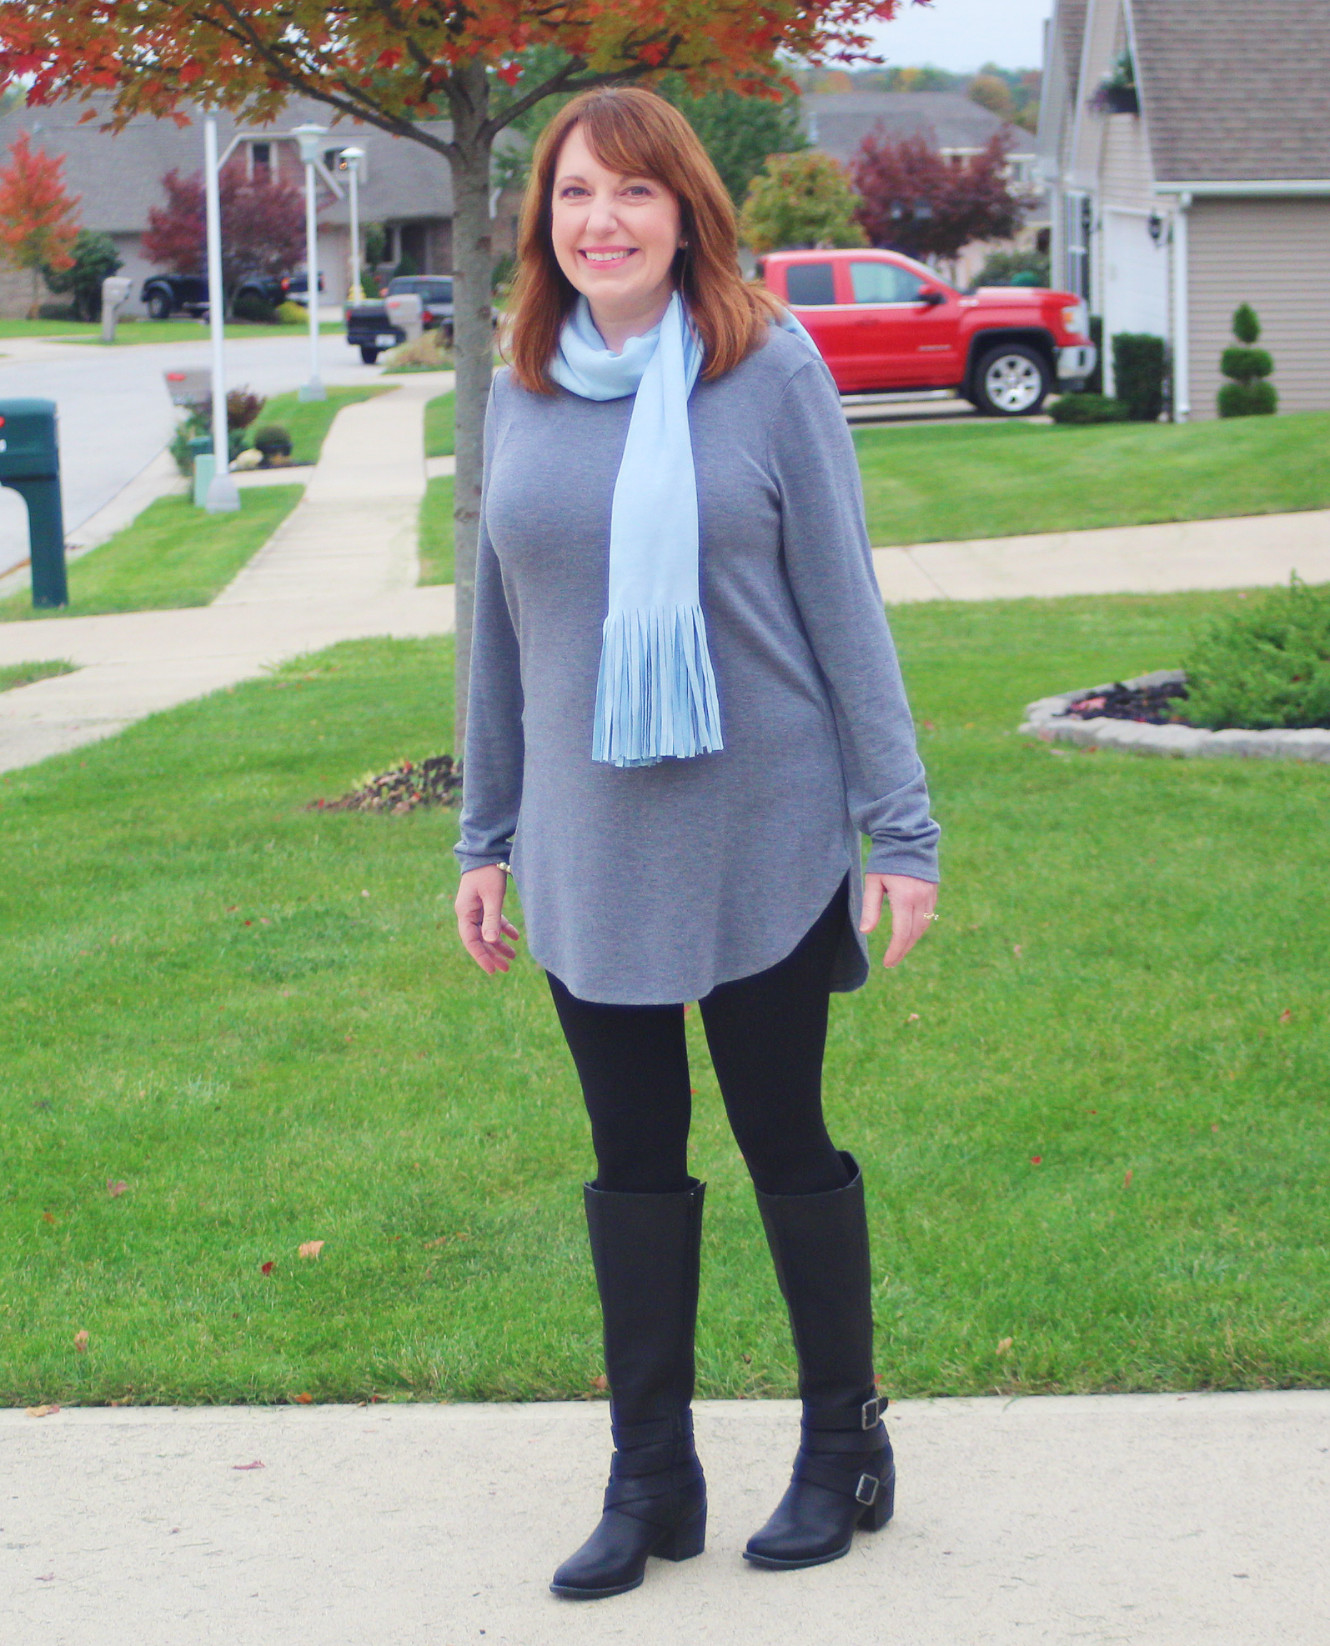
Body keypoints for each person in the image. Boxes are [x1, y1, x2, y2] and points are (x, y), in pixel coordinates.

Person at [453, 86, 940, 1601]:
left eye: (632, 194)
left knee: (783, 1136)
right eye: (574, 194)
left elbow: (841, 604)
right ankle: (650, 1476)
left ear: (685, 211)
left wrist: (900, 826)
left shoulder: (767, 367)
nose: (600, 221)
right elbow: (498, 624)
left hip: (763, 829)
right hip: (589, 842)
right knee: (629, 1160)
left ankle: (837, 1445)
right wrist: (485, 831)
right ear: (543, 220)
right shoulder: (522, 381)